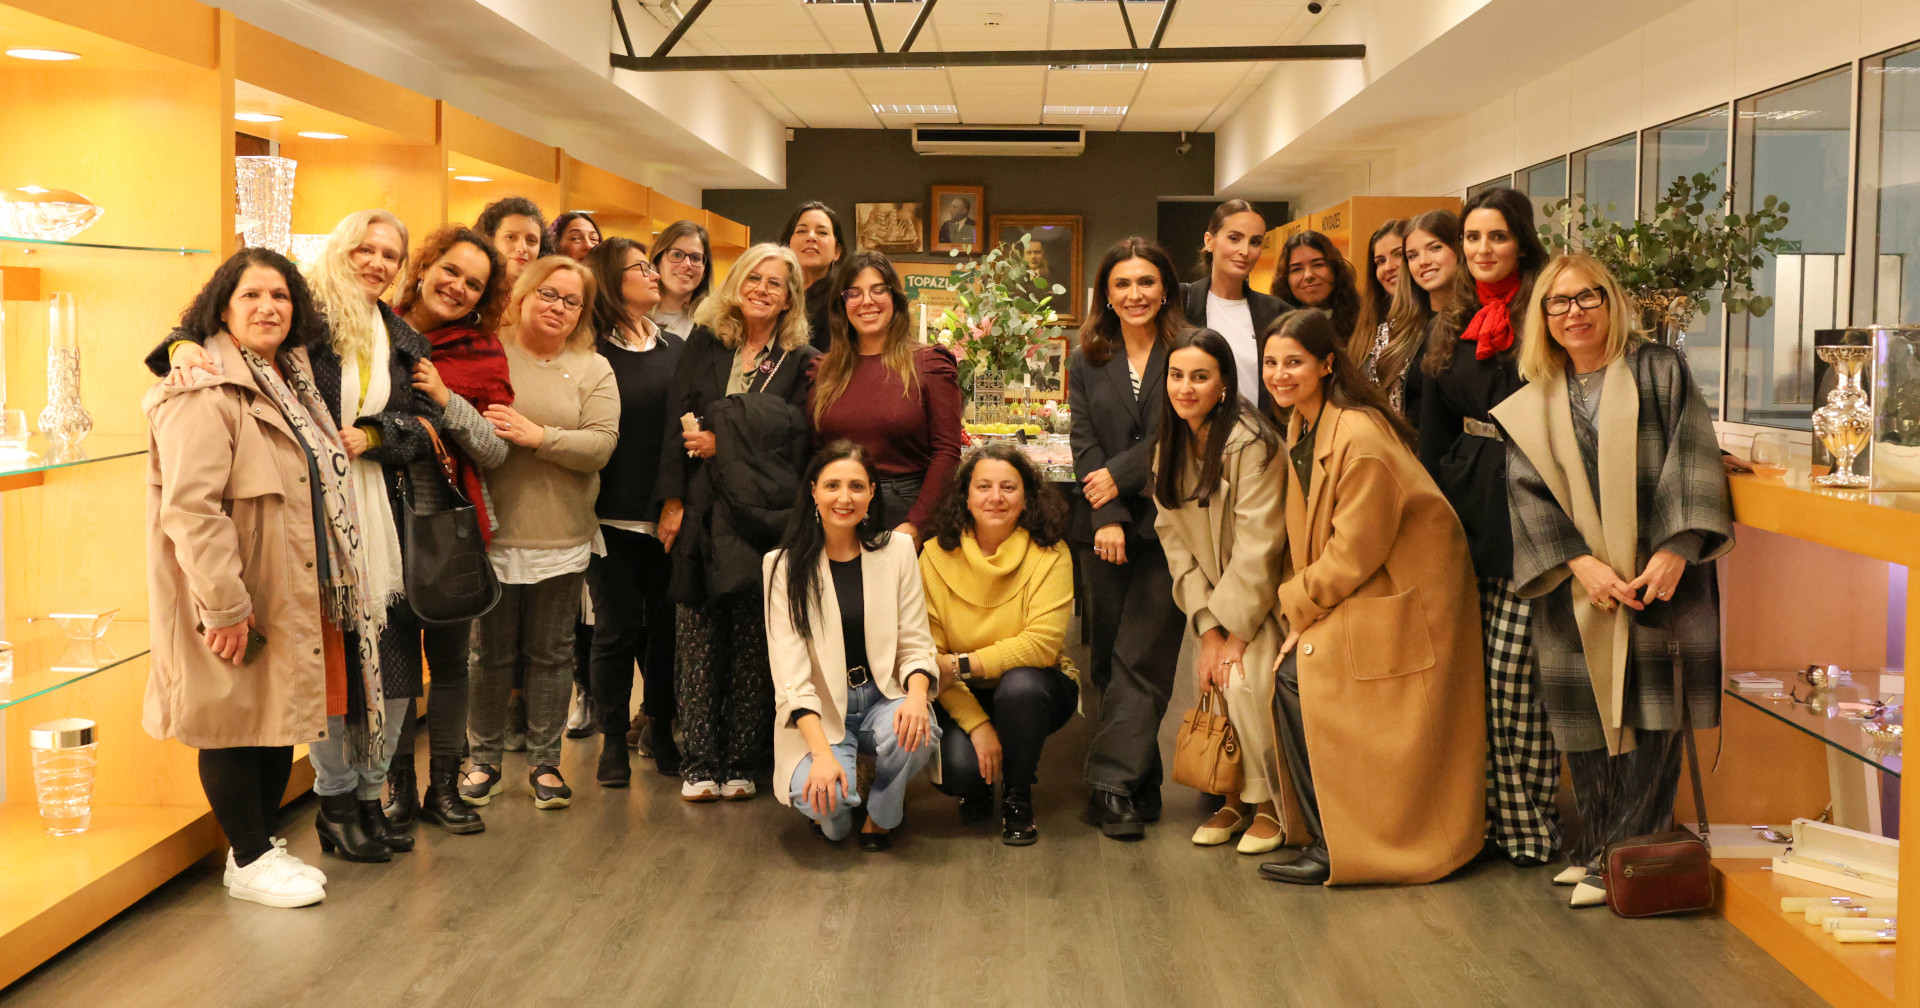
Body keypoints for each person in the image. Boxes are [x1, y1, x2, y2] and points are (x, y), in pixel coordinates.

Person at [153, 210, 436, 862]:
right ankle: (334, 807)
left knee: (379, 671)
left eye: (390, 254)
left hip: (379, 518)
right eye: (364, 248)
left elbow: (425, 426)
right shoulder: (307, 321)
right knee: (314, 680)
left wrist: (376, 437)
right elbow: (204, 321)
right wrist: (179, 348)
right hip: (303, 527)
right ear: (339, 250)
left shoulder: (400, 334)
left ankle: (362, 801)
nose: (376, 261)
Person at [1492, 254, 1733, 908]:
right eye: (1558, 303)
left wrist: (1678, 549)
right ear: (1542, 318)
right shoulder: (1535, 398)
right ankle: (1595, 846)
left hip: (1660, 581)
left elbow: (1693, 458)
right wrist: (1579, 563)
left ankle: (1627, 856)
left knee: (1653, 721)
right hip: (1582, 586)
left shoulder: (1659, 372)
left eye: (1586, 298)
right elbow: (1527, 492)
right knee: (1586, 723)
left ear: (1611, 301)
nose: (1574, 313)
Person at [145, 248, 380, 907]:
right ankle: (248, 859)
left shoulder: (292, 378)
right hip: (234, 589)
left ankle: (257, 848)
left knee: (277, 719)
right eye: (250, 296)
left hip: (290, 585)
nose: (267, 307)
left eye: (279, 295)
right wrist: (223, 606)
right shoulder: (202, 388)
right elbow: (191, 510)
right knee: (230, 720)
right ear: (223, 307)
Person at [1253, 309, 1488, 886]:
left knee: (1295, 680)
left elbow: (1355, 553)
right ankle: (1328, 834)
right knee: (1287, 680)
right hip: (1359, 581)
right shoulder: (1303, 424)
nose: (1279, 375)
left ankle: (1339, 845)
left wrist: (1295, 608)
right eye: (1270, 364)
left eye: (1293, 363)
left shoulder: (1358, 435)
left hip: (1403, 592)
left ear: (1327, 364)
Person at [1415, 186, 1561, 867]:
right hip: (1467, 498)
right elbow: (1432, 421)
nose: (1481, 250)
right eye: (1472, 238)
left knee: (1516, 683)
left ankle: (1529, 827)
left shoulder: (1549, 310)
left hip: (1535, 499)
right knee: (1472, 680)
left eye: (1495, 237)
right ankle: (1485, 822)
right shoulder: (1453, 318)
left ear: (1522, 241)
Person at [656, 242, 821, 802]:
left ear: (789, 299)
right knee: (697, 634)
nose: (762, 289)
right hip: (701, 508)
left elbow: (795, 434)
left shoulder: (801, 359)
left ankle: (744, 760)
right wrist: (671, 503)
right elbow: (674, 427)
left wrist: (724, 438)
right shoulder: (706, 342)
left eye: (776, 284)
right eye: (754, 278)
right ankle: (699, 761)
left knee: (754, 639)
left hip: (763, 513)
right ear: (736, 283)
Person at [460, 256, 618, 810]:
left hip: (563, 534)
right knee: (489, 654)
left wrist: (537, 435)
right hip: (490, 534)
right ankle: (483, 761)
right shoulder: (486, 353)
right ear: (523, 295)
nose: (558, 307)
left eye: (572, 301)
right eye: (548, 294)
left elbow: (600, 445)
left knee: (552, 653)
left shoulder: (593, 367)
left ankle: (545, 765)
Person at [383, 223, 515, 836]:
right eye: (451, 271)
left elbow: (493, 450)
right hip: (376, 518)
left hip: (448, 527)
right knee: (392, 666)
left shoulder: (483, 353)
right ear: (425, 266)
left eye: (474, 284)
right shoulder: (370, 326)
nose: (457, 287)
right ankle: (395, 791)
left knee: (452, 665)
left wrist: (442, 396)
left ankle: (445, 789)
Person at [1152, 329, 1290, 856]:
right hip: (1212, 601)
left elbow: (1261, 545)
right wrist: (1207, 627)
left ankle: (1272, 805)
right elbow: (1174, 544)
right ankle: (1232, 795)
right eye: (1177, 375)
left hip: (1263, 598)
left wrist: (1232, 630)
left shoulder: (1251, 444)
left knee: (1246, 683)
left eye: (1200, 377)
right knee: (1212, 684)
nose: (1185, 388)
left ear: (1225, 385)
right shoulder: (1170, 443)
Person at [765, 442, 940, 851]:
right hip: (821, 708)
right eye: (832, 486)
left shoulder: (897, 552)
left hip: (882, 697)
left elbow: (916, 642)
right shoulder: (783, 566)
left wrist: (917, 698)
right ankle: (839, 813)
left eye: (857, 486)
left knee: (921, 732)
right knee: (827, 806)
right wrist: (822, 756)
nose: (845, 498)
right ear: (813, 492)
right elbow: (790, 674)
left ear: (872, 493)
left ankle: (884, 813)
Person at [1071, 237, 1190, 839]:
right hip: (1105, 528)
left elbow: (1187, 427)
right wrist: (1107, 514)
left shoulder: (1189, 349)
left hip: (1173, 524)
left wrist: (1118, 474)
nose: (1135, 294)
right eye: (1122, 284)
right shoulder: (1088, 356)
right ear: (1106, 294)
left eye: (1146, 282)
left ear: (1165, 287)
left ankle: (1109, 787)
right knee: (1107, 658)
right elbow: (1084, 438)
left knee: (1144, 654)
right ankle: (1139, 775)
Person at [919, 443, 1078, 846]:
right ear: (966, 498)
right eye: (983, 486)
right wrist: (978, 725)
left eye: (1008, 487)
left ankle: (1017, 796)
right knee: (959, 771)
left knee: (1020, 686)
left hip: (1035, 689)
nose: (995, 497)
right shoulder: (934, 556)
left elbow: (1040, 646)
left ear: (1026, 498)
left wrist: (961, 665)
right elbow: (933, 661)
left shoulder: (1051, 553)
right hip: (958, 692)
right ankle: (980, 781)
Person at [579, 237, 685, 784]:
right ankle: (612, 740)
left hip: (667, 515)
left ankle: (661, 726)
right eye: (640, 268)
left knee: (666, 628)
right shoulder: (591, 352)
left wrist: (676, 501)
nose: (652, 274)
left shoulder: (673, 350)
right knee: (617, 629)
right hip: (608, 517)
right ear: (610, 280)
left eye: (650, 265)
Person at [809, 250, 963, 541]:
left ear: (895, 298)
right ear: (842, 305)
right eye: (854, 293)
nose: (867, 301)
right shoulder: (822, 371)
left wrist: (915, 526)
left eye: (878, 290)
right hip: (837, 514)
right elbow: (815, 452)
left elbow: (946, 453)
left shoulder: (929, 365)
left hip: (906, 512)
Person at [1181, 199, 1290, 413]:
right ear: (1209, 241)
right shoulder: (1180, 303)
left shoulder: (1277, 313)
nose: (1245, 251)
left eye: (1255, 242)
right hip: (1193, 438)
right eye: (1234, 238)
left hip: (1259, 438)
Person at [1368, 210, 1462, 420]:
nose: (1423, 261)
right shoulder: (1393, 328)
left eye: (1435, 248)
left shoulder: (1475, 320)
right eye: (1412, 256)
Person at [1351, 219, 1407, 409]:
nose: (1389, 267)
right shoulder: (1370, 329)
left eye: (1398, 255)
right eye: (1380, 261)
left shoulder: (1432, 326)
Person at [780, 201, 847, 351]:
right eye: (801, 231)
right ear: (787, 245)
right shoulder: (772, 293)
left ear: (837, 251)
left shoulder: (844, 300)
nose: (811, 237)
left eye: (822, 232)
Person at [1278, 230, 1360, 343]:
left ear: (1335, 269)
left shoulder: (1364, 323)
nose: (1308, 275)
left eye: (1318, 265)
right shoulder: (1276, 328)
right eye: (1297, 269)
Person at [650, 219, 713, 340]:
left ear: (705, 270)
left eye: (695, 258)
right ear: (658, 262)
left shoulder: (713, 325)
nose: (687, 264)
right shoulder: (634, 316)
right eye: (677, 254)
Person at [476, 196, 548, 287]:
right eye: (510, 237)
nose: (522, 248)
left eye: (531, 240)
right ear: (490, 239)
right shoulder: (475, 289)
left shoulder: (546, 295)